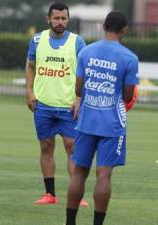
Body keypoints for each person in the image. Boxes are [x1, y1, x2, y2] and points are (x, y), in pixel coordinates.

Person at [66, 11, 138, 225]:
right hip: (112, 123)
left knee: (79, 171)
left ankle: (70, 222)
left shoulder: (86, 52)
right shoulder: (130, 58)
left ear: (104, 26)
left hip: (86, 120)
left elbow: (78, 89)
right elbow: (127, 95)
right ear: (124, 30)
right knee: (104, 174)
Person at [25, 2, 88, 206]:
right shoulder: (37, 40)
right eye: (56, 18)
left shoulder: (78, 42)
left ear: (67, 20)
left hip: (68, 107)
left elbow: (84, 74)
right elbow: (31, 65)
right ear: (48, 19)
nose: (60, 22)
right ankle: (50, 195)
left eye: (63, 18)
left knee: (73, 148)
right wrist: (29, 91)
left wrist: (79, 98)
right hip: (42, 105)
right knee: (46, 147)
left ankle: (77, 196)